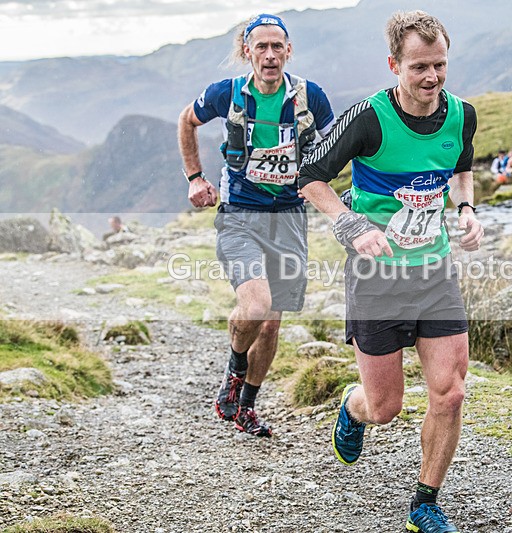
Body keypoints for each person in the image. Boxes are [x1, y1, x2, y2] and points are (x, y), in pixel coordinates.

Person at [298, 10, 482, 532]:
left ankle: (425, 503)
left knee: (451, 392)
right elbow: (309, 178)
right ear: (394, 65)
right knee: (384, 407)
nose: (432, 77)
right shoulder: (369, 118)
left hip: (434, 272)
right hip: (376, 277)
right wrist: (352, 223)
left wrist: (467, 209)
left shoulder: (461, 115)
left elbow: (461, 167)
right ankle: (352, 409)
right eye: (419, 67)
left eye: (440, 65)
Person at [177, 13, 335, 437]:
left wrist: (337, 191)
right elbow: (187, 121)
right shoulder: (226, 93)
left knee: (271, 323)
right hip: (240, 215)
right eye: (261, 47)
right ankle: (234, 369)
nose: (269, 55)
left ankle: (246, 406)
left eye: (276, 46)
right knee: (256, 306)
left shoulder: (311, 97)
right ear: (247, 51)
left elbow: (337, 145)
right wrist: (195, 178)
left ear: (289, 51)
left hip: (289, 218)